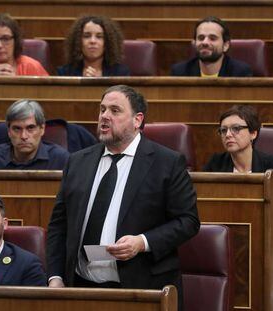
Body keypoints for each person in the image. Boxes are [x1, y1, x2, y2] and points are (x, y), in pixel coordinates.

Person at [46, 84, 199, 311]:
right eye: (102, 109)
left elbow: (188, 221)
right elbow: (59, 225)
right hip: (79, 288)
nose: (105, 117)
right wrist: (56, 276)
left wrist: (142, 242)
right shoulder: (78, 161)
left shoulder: (166, 162)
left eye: (115, 111)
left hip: (138, 290)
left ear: (137, 120)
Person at [204, 105, 273, 219]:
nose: (228, 135)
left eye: (236, 128)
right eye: (223, 130)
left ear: (253, 133)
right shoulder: (215, 163)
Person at [0, 99, 69, 170]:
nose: (23, 136)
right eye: (17, 129)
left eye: (30, 128)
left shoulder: (61, 160)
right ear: (8, 131)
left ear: (42, 129)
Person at [171, 16, 252, 77]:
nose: (205, 42)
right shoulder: (180, 72)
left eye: (212, 38)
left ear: (225, 45)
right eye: (201, 38)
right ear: (194, 43)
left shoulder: (240, 73)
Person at [57, 15, 130, 77]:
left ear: (108, 43)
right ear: (78, 41)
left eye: (99, 36)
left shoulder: (121, 73)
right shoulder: (64, 73)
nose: (92, 41)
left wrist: (100, 83)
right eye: (87, 36)